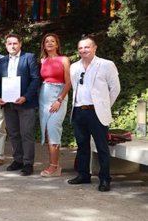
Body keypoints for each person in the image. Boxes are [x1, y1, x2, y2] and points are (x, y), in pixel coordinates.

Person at [68, 37, 120, 192]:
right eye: (81, 48)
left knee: (101, 146)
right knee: (82, 145)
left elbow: (115, 88)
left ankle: (105, 179)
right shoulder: (74, 67)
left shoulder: (106, 65)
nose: (84, 50)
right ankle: (83, 175)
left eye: (87, 47)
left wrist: (103, 107)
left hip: (96, 112)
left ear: (95, 48)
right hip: (78, 111)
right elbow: (75, 88)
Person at [0, 33, 40, 176]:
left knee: (26, 133)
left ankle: (28, 163)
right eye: (9, 43)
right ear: (6, 45)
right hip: (8, 103)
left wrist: (26, 97)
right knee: (13, 133)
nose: (12, 46)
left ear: (20, 44)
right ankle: (17, 160)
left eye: (15, 43)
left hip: (25, 103)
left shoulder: (29, 57)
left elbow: (35, 79)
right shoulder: (3, 61)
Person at [38, 33, 71, 177]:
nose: (49, 43)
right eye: (47, 41)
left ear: (57, 44)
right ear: (44, 45)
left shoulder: (64, 59)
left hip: (58, 95)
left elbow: (69, 82)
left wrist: (59, 100)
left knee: (53, 129)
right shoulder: (42, 60)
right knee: (47, 131)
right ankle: (53, 163)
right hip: (43, 97)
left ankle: (54, 167)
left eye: (53, 41)